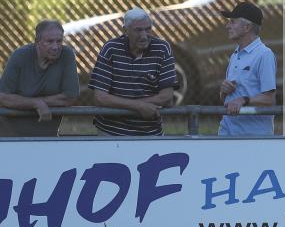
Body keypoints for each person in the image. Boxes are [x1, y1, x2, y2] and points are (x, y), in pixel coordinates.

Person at [89, 8, 178, 136]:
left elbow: (167, 97)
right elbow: (100, 98)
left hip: (150, 132)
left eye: (148, 29)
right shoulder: (111, 49)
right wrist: (138, 107)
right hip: (111, 132)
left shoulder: (162, 49)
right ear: (125, 31)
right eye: (138, 30)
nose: (144, 35)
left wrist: (128, 104)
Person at [0, 20, 79, 137]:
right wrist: (35, 103)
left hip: (47, 133)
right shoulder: (20, 55)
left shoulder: (67, 55)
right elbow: (3, 98)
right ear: (37, 41)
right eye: (50, 41)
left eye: (59, 41)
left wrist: (38, 102)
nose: (55, 47)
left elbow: (70, 97)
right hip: (11, 134)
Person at [218, 2, 277, 136]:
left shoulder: (264, 54)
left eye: (232, 22)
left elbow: (269, 99)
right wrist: (223, 92)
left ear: (247, 27)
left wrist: (244, 100)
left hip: (253, 138)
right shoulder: (235, 54)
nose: (227, 26)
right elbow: (226, 101)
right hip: (227, 133)